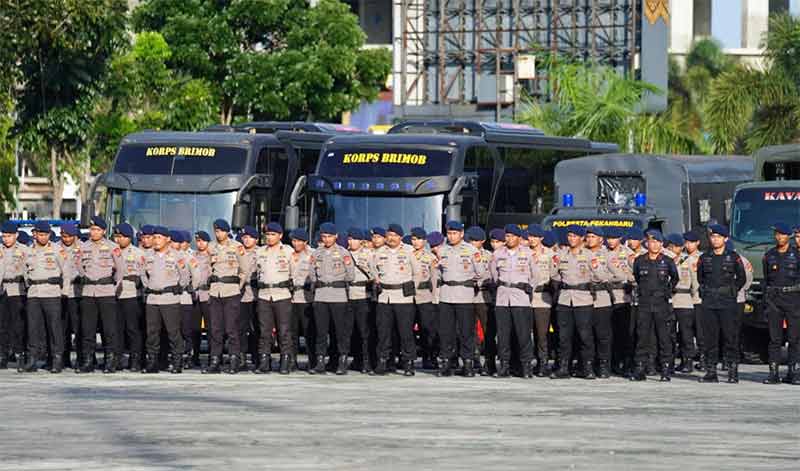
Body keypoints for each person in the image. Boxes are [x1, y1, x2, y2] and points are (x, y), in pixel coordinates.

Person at [696, 224, 746, 383]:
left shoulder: (733, 257)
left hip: (727, 302)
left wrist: (731, 290)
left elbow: (742, 278)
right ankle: (711, 371)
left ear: (725, 239)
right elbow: (700, 278)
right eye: (713, 236)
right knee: (710, 338)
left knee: (730, 337)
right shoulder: (704, 258)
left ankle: (732, 371)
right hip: (709, 302)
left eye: (718, 237)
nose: (715, 240)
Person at [436, 221, 486, 377]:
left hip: (464, 295)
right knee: (446, 332)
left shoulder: (471, 250)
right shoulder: (442, 250)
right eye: (449, 233)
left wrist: (467, 280)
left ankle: (468, 363)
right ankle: (446, 362)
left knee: (466, 332)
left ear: (462, 234)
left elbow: (480, 272)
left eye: (455, 233)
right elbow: (438, 273)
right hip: (446, 294)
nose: (451, 236)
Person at [141, 226, 193, 374]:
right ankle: (152, 362)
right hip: (152, 299)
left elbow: (184, 276)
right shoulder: (148, 255)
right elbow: (142, 274)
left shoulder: (177, 256)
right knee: (152, 333)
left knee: (173, 332)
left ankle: (177, 361)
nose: (156, 240)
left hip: (170, 299)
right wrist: (149, 286)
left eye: (159, 237)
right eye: (154, 237)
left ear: (167, 239)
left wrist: (177, 288)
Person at [550, 225, 600, 380]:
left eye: (574, 236)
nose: (571, 239)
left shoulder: (589, 255)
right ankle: (563, 367)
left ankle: (587, 367)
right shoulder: (561, 254)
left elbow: (600, 275)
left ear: (581, 238)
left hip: (583, 299)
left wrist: (589, 280)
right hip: (565, 299)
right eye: (569, 236)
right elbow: (553, 274)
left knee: (585, 336)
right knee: (564, 336)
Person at [370, 223, 420, 376]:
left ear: (400, 237)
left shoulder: (409, 251)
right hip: (384, 297)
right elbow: (372, 269)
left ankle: (408, 363)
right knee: (383, 332)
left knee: (405, 333)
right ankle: (383, 361)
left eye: (395, 235)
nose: (391, 238)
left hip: (403, 298)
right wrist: (377, 280)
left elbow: (417, 273)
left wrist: (411, 289)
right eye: (389, 235)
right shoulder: (379, 252)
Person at [630, 231, 679, 382]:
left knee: (664, 337)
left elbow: (675, 278)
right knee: (642, 337)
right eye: (652, 241)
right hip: (644, 303)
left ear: (662, 244)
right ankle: (640, 368)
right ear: (647, 243)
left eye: (657, 242)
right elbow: (637, 277)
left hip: (661, 304)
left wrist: (666, 291)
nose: (654, 244)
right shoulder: (640, 260)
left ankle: (665, 369)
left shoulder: (667, 261)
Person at [489, 224, 536, 378]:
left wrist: (528, 288)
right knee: (503, 335)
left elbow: (535, 275)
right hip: (503, 298)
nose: (509, 239)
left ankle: (526, 366)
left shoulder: (528, 253)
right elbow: (494, 274)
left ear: (519, 238)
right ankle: (504, 366)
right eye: (507, 236)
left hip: (520, 297)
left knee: (523, 335)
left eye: (512, 236)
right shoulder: (497, 254)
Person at [203, 219, 249, 374]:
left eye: (221, 231)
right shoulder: (211, 247)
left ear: (227, 232)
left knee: (231, 328)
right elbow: (208, 267)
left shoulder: (237, 246)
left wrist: (237, 287)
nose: (219, 234)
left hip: (231, 292)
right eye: (216, 231)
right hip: (215, 292)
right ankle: (215, 361)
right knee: (215, 329)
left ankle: (234, 360)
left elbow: (244, 270)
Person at [22, 221, 69, 373]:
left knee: (54, 327)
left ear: (49, 234)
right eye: (40, 234)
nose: (42, 237)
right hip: (34, 293)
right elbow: (24, 272)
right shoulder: (28, 251)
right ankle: (32, 359)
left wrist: (65, 292)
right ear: (35, 234)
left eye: (45, 234)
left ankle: (57, 359)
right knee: (33, 328)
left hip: (51, 292)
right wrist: (28, 287)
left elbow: (66, 271)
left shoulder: (57, 250)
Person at [77, 216, 121, 373]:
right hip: (89, 292)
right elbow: (79, 265)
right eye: (92, 229)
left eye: (97, 230)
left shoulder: (112, 247)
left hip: (106, 291)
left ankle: (110, 361)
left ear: (103, 231)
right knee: (87, 329)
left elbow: (120, 269)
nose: (94, 232)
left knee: (109, 329)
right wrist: (84, 276)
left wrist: (114, 287)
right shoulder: (83, 247)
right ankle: (88, 361)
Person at [309, 223, 354, 374]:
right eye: (324, 236)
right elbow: (312, 274)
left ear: (336, 237)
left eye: (330, 236)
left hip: (338, 296)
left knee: (340, 332)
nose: (327, 239)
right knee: (321, 331)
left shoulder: (343, 253)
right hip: (321, 296)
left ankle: (342, 361)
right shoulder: (316, 253)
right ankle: (320, 361)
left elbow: (350, 275)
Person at [252, 222, 296, 374]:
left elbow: (294, 274)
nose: (269, 237)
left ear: (280, 235)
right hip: (264, 295)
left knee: (284, 330)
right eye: (267, 234)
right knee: (264, 331)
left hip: (282, 295)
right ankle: (264, 362)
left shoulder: (288, 251)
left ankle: (285, 362)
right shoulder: (259, 252)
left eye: (273, 234)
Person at [762, 223, 800, 385]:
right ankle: (773, 373)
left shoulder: (797, 255)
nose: (779, 237)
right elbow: (766, 279)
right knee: (774, 339)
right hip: (774, 300)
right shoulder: (769, 255)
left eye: (782, 234)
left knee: (794, 338)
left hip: (793, 299)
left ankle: (794, 373)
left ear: (788, 236)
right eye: (777, 234)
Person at [664, 233, 699, 374]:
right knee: (669, 333)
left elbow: (695, 282)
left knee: (686, 333)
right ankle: (670, 361)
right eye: (674, 246)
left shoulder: (688, 260)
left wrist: (694, 299)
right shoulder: (664, 260)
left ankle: (687, 361)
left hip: (685, 300)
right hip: (669, 300)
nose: (677, 249)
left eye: (679, 246)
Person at [114, 223, 146, 372]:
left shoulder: (138, 254)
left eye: (122, 237)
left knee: (133, 329)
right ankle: (117, 359)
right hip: (115, 294)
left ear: (129, 238)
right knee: (117, 330)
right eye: (117, 236)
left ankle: (135, 360)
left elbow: (144, 275)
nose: (119, 239)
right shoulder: (112, 252)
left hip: (132, 295)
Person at [467, 226, 494, 375]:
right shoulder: (464, 253)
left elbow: (491, 273)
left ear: (482, 241)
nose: (472, 243)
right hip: (467, 296)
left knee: (487, 330)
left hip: (484, 296)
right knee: (468, 331)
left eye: (475, 240)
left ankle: (489, 362)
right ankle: (473, 359)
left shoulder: (489, 256)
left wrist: (481, 281)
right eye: (470, 240)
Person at [411, 227, 438, 371]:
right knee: (406, 329)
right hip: (408, 297)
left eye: (419, 239)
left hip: (425, 296)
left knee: (427, 330)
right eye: (414, 239)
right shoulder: (407, 255)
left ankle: (429, 358)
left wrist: (434, 299)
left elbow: (434, 279)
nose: (416, 242)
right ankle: (407, 358)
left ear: (425, 241)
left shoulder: (430, 258)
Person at [528, 224, 553, 377]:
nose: (532, 239)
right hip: (524, 298)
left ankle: (542, 362)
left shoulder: (549, 254)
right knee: (524, 333)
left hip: (542, 298)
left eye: (535, 236)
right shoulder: (523, 252)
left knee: (541, 334)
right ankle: (524, 362)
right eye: (530, 236)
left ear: (541, 238)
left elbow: (554, 274)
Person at [348, 228, 375, 374]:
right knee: (350, 331)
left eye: (355, 239)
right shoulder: (344, 254)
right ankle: (355, 359)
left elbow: (374, 274)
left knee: (364, 331)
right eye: (350, 239)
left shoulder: (368, 254)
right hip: (348, 295)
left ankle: (366, 361)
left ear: (361, 241)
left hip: (363, 296)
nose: (351, 242)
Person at [289, 228, 315, 371]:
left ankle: (312, 361)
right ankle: (292, 361)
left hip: (306, 299)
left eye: (299, 241)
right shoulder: (288, 254)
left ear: (305, 242)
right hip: (291, 298)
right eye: (294, 241)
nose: (296, 243)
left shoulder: (313, 255)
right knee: (291, 332)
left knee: (309, 332)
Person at [59, 223, 82, 370]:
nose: (66, 239)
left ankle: (81, 358)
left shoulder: (83, 248)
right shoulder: (55, 248)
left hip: (76, 292)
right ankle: (63, 358)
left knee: (78, 327)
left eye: (69, 236)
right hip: (60, 293)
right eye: (64, 236)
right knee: (62, 328)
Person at [239, 225, 259, 371]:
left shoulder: (261, 253)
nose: (246, 240)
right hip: (241, 295)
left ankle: (257, 357)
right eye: (244, 237)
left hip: (256, 295)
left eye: (250, 237)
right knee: (240, 329)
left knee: (257, 329)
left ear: (256, 239)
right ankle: (241, 358)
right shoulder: (237, 252)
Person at [192, 231, 212, 370]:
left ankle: (212, 356)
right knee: (195, 328)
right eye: (198, 241)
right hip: (195, 294)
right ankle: (195, 356)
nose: (200, 243)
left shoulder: (212, 256)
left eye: (203, 241)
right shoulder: (192, 256)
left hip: (208, 294)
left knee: (211, 328)